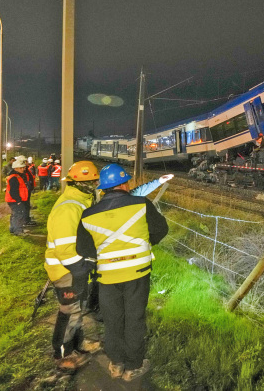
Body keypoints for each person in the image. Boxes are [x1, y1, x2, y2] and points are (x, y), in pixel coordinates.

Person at [76, 164, 168, 382]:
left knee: (113, 319)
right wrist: (144, 243)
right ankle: (133, 366)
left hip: (107, 276)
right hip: (137, 273)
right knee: (134, 318)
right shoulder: (141, 204)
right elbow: (160, 230)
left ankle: (116, 363)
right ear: (125, 184)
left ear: (103, 188)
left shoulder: (88, 215)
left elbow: (84, 249)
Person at [44, 161, 103, 371]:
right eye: (93, 181)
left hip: (74, 268)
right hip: (65, 269)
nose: (97, 184)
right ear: (84, 184)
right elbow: (64, 248)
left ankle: (77, 344)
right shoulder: (70, 207)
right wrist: (81, 268)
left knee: (77, 310)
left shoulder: (81, 201)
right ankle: (62, 354)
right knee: (69, 311)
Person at [5, 158, 30, 235]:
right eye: (21, 168)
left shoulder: (16, 176)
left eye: (23, 167)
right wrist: (18, 200)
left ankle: (13, 229)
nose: (23, 169)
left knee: (15, 214)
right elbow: (13, 191)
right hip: (15, 200)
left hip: (14, 200)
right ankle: (18, 231)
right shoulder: (14, 178)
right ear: (16, 168)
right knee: (19, 215)